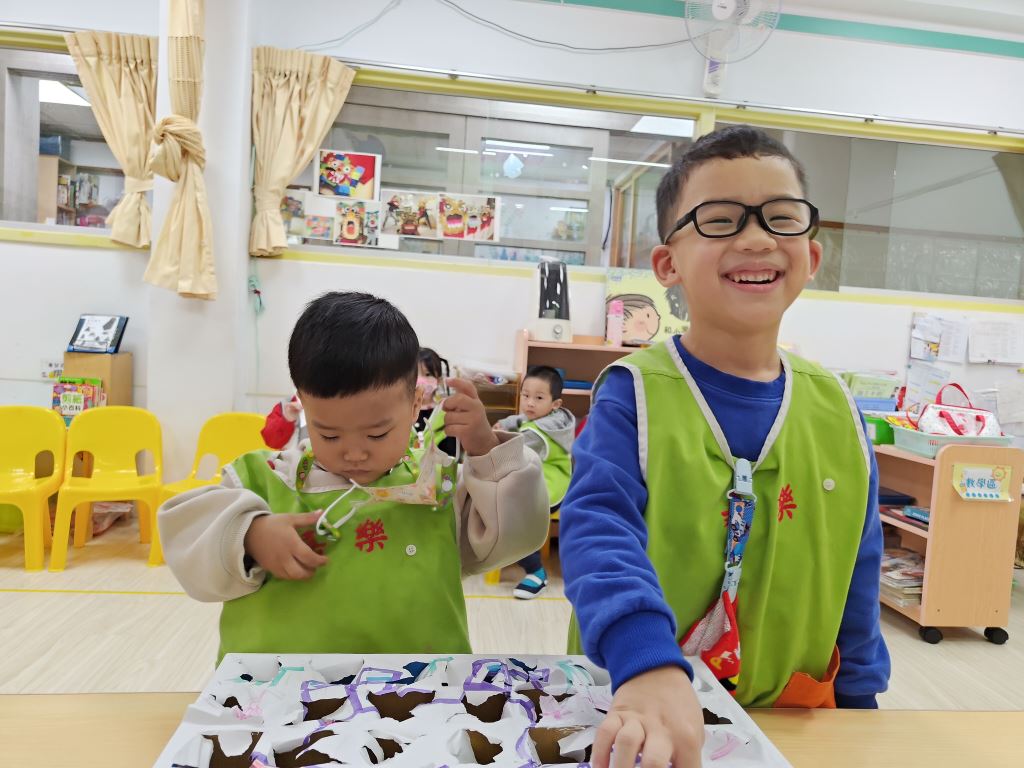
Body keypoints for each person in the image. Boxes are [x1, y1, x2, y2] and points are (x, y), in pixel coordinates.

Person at [559, 125, 890, 768]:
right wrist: (643, 660)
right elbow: (597, 527)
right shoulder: (632, 395)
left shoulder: (839, 411)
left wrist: (860, 702)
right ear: (668, 265)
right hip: (642, 717)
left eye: (781, 217)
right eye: (719, 220)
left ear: (811, 256)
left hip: (792, 717)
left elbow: (858, 566)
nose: (757, 238)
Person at [159, 291, 549, 660]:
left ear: (415, 405)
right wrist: (248, 535)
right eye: (329, 434)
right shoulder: (265, 480)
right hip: (281, 697)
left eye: (377, 434)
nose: (355, 452)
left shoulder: (435, 486)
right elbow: (188, 543)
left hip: (416, 694)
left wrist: (486, 450)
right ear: (303, 405)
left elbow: (517, 536)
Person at [494, 365, 575, 599]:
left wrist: (492, 436)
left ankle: (536, 571)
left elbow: (511, 452)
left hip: (548, 488)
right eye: (526, 395)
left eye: (538, 398)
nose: (530, 403)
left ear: (555, 403)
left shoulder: (540, 434)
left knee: (508, 516)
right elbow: (519, 419)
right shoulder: (553, 418)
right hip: (547, 478)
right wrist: (505, 424)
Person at [416, 347, 457, 457]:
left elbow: (450, 453)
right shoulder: (402, 411)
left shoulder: (443, 413)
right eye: (415, 374)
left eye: (427, 374)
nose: (420, 380)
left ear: (438, 380)